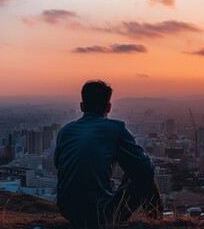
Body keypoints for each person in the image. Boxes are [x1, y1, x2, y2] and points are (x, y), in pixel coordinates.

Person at [55, 80, 162, 228]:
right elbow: (145, 169)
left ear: (82, 106)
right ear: (109, 107)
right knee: (144, 176)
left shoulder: (65, 131)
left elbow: (58, 165)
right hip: (101, 213)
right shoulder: (116, 128)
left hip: (68, 211)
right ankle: (157, 223)